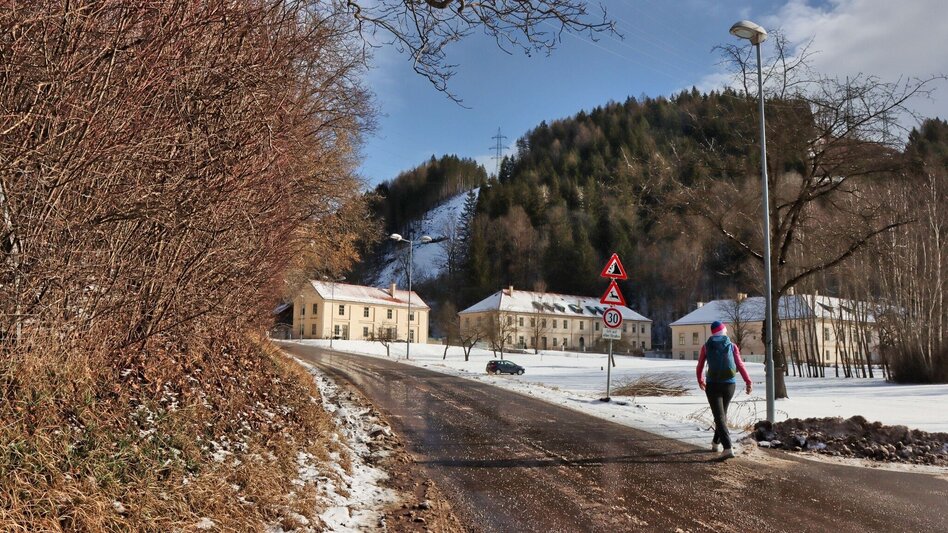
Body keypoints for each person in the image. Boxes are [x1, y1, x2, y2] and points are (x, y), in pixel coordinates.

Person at [696, 320, 753, 460]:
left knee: (719, 416)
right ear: (723, 331)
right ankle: (716, 442)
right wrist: (748, 381)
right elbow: (739, 365)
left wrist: (700, 380)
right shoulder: (732, 346)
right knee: (721, 415)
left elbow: (700, 366)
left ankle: (727, 448)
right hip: (729, 385)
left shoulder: (706, 346)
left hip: (713, 385)